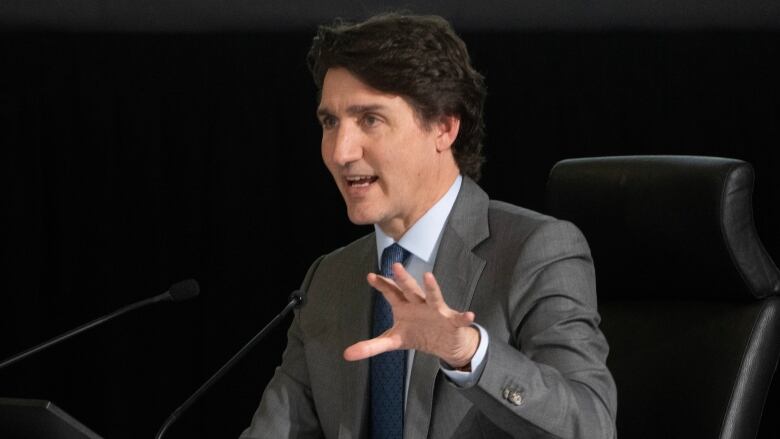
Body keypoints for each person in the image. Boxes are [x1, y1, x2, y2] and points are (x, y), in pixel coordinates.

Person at [241, 13, 616, 439]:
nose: (341, 151)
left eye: (370, 120)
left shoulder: (534, 252)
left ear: (443, 126)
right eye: (330, 122)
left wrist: (468, 353)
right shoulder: (329, 279)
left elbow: (592, 425)